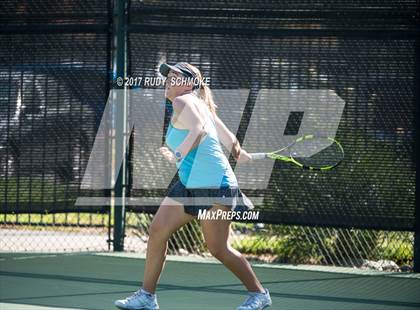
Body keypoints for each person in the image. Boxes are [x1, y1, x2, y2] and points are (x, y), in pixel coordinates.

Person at [115, 62, 272, 310]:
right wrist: (240, 153)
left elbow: (198, 131)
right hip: (190, 183)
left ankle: (259, 294)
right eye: (168, 77)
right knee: (158, 230)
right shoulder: (202, 106)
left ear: (189, 84)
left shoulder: (183, 101)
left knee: (218, 249)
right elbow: (232, 143)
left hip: (214, 185)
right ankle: (147, 296)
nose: (168, 80)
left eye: (175, 77)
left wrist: (177, 154)